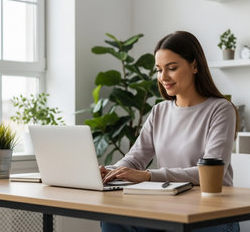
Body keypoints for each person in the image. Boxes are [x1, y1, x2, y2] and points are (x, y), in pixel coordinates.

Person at [99, 31, 240, 232]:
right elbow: (134, 158)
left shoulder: (220, 109)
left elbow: (209, 175)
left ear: (194, 65)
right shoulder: (159, 111)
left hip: (212, 215)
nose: (163, 77)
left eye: (172, 68)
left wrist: (148, 176)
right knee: (112, 219)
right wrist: (111, 172)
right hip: (168, 210)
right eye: (158, 70)